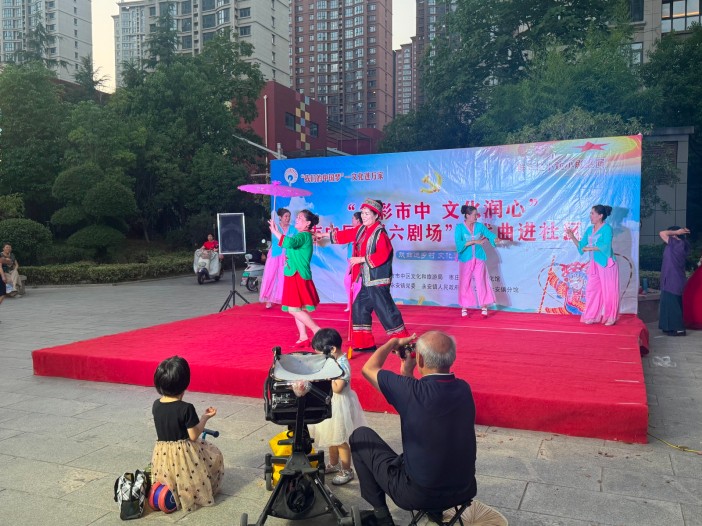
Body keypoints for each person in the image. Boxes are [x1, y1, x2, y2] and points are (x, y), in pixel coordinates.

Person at [349, 331, 477, 526]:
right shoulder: (463, 389)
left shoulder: (410, 391)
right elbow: (423, 403)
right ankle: (435, 513)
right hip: (464, 489)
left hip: (418, 494)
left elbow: (368, 369)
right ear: (452, 358)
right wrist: (407, 373)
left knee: (360, 436)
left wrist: (392, 342)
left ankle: (382, 517)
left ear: (421, 359)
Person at [317, 198, 410, 352]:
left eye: (367, 214)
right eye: (363, 213)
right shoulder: (362, 229)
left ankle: (403, 342)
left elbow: (383, 254)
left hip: (378, 279)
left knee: (386, 311)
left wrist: (360, 259)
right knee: (359, 307)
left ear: (376, 215)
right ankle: (365, 343)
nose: (364, 216)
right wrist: (324, 234)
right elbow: (347, 234)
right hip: (367, 279)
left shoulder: (380, 233)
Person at [150, 356, 224, 512]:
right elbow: (193, 435)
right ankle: (197, 492)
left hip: (163, 452)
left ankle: (172, 491)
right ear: (185, 383)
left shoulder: (156, 405)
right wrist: (204, 418)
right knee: (214, 455)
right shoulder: (186, 408)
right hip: (184, 452)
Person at [308, 328, 367, 485]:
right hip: (331, 403)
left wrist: (325, 377)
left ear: (332, 349)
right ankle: (334, 464)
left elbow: (338, 388)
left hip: (340, 406)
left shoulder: (342, 365)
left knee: (340, 439)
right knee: (332, 437)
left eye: (322, 354)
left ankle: (347, 470)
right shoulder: (332, 361)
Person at [269, 209, 321, 347]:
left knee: (293, 309)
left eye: (299, 218)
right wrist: (276, 231)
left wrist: (275, 231)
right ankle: (303, 337)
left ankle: (317, 331)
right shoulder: (302, 235)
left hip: (297, 275)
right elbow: (288, 243)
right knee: (297, 308)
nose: (296, 219)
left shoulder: (304, 235)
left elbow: (290, 243)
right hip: (293, 273)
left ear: (307, 223)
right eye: (296, 217)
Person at [565, 204, 619, 326]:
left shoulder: (607, 229)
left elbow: (606, 246)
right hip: (594, 265)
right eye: (590, 213)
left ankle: (611, 317)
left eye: (592, 213)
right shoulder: (589, 229)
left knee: (609, 291)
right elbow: (581, 246)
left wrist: (590, 248)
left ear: (600, 216)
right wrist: (572, 237)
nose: (590, 215)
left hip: (607, 264)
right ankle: (592, 316)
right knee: (591, 290)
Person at [454, 205, 499, 317]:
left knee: (481, 281)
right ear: (467, 215)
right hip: (465, 259)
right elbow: (458, 244)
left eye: (477, 214)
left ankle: (484, 306)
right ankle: (464, 307)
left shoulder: (479, 226)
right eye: (474, 215)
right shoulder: (459, 228)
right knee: (465, 283)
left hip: (479, 258)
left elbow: (489, 234)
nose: (476, 217)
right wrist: (475, 242)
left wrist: (495, 238)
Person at [260, 208, 297, 308]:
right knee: (270, 276)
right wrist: (273, 228)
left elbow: (295, 241)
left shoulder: (293, 229)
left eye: (289, 216)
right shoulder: (275, 226)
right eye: (286, 216)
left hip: (287, 256)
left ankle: (284, 299)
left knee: (284, 277)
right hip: (275, 254)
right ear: (280, 217)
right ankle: (268, 299)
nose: (288, 218)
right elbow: (276, 239)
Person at [659, 226, 691, 336]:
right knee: (667, 303)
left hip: (673, 279)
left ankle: (678, 329)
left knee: (673, 304)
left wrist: (677, 232)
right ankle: (667, 327)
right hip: (670, 278)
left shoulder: (678, 244)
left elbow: (662, 233)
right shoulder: (674, 244)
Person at [344, 211, 363, 312]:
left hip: (359, 262)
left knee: (357, 284)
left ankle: (355, 305)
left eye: (353, 219)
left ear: (358, 220)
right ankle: (350, 304)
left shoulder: (363, 232)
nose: (352, 220)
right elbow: (342, 242)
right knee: (347, 282)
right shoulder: (351, 232)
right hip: (351, 261)